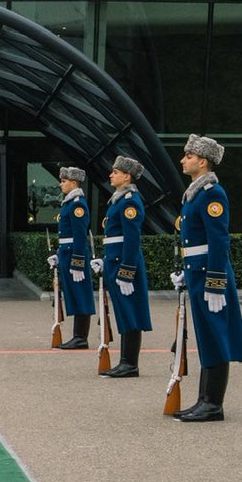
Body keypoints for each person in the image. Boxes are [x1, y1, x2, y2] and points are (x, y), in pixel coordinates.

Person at [172, 135, 242, 421]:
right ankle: (204, 399)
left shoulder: (212, 193)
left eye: (189, 156)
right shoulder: (195, 193)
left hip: (209, 275)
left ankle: (213, 403)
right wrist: (186, 270)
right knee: (206, 336)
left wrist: (216, 282)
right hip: (198, 272)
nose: (183, 160)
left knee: (215, 337)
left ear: (203, 161)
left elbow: (218, 239)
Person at [92, 155, 150, 377]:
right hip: (115, 261)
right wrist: (105, 259)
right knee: (124, 312)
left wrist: (127, 271)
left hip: (124, 265)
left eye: (115, 172)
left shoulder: (129, 201)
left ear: (127, 176)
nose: (111, 175)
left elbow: (131, 239)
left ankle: (130, 363)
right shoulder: (118, 200)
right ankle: (125, 361)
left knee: (130, 312)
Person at [50, 167, 95, 350]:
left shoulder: (77, 204)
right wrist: (58, 254)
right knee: (74, 294)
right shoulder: (69, 203)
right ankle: (78, 336)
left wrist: (77, 261)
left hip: (74, 254)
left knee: (81, 294)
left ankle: (81, 337)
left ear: (74, 183)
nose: (61, 184)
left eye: (64, 181)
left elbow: (79, 235)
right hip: (67, 253)